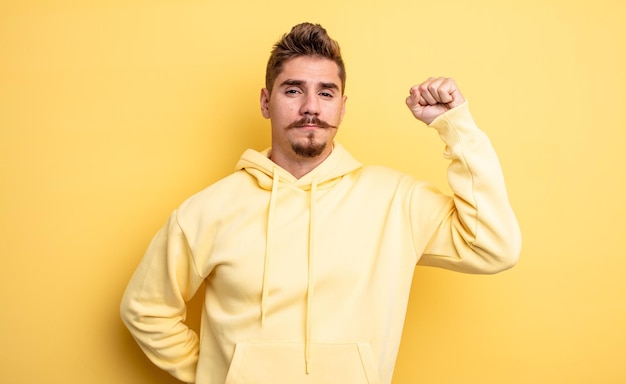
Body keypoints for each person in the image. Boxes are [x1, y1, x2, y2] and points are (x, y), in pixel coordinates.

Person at [120, 22, 521, 384]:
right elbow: (145, 309)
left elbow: (494, 247)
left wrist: (456, 127)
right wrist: (219, 376)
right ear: (265, 101)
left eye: (326, 92)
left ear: (342, 106)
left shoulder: (395, 202)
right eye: (293, 90)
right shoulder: (208, 210)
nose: (310, 106)